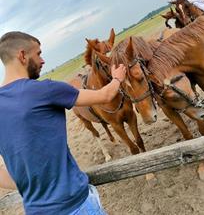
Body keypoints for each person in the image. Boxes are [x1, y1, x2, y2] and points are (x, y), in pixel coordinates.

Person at [0, 31, 126, 215]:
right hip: (75, 205)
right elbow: (104, 95)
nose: (43, 61)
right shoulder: (45, 90)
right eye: (38, 54)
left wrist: (29, 184)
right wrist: (117, 78)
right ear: (22, 55)